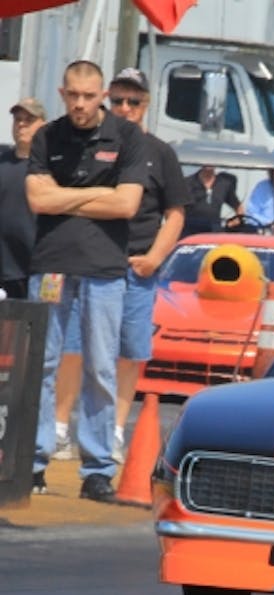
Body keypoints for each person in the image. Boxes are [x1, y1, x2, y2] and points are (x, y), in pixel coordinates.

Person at [26, 60, 147, 502]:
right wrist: (99, 193)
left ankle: (96, 469)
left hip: (104, 269)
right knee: (42, 364)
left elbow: (128, 204)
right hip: (52, 265)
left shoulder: (127, 136)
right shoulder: (47, 136)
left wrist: (65, 198)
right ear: (63, 93)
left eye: (88, 96)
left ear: (101, 96)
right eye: (72, 95)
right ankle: (33, 461)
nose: (80, 104)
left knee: (99, 366)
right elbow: (38, 199)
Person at [106, 67, 190, 458]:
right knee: (77, 350)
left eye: (133, 102)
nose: (125, 108)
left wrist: (155, 258)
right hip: (92, 263)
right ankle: (66, 430)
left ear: (146, 104)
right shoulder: (93, 145)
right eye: (118, 100)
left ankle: (116, 431)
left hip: (136, 268)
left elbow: (175, 213)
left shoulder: (161, 152)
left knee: (129, 352)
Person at [0, 97, 45, 300]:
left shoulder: (50, 166)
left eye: (29, 119)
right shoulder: (2, 161)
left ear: (43, 124)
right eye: (17, 119)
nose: (21, 124)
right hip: (4, 268)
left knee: (35, 329)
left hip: (35, 268)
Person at [184, 164, 243, 235]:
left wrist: (236, 221)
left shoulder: (224, 183)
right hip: (190, 232)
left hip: (214, 232)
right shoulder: (187, 182)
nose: (208, 164)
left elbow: (238, 206)